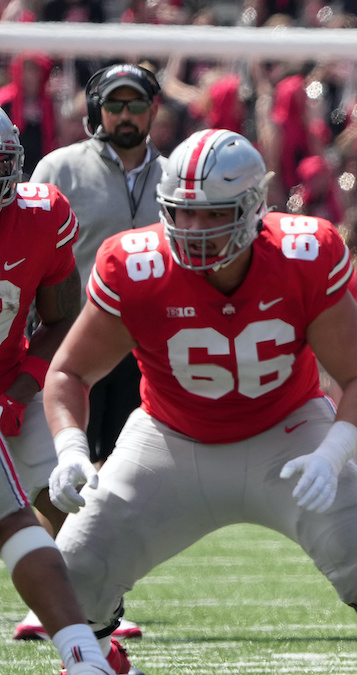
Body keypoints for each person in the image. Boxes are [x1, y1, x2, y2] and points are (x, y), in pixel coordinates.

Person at [43, 129, 357, 675]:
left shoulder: (304, 253)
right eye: (183, 213)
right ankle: (106, 661)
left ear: (254, 207)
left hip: (288, 432)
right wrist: (70, 449)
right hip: (170, 437)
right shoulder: (136, 264)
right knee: (73, 570)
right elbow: (67, 371)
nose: (195, 230)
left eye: (214, 215)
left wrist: (332, 454)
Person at [19, 62, 166, 643]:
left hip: (151, 347)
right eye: (115, 105)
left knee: (127, 475)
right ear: (96, 109)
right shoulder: (59, 167)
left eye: (135, 105)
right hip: (77, 342)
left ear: (153, 109)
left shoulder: (177, 173)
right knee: (62, 471)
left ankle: (106, 596)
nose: (125, 116)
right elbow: (34, 249)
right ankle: (45, 599)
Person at [0, 107, 121, 675]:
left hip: (11, 380)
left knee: (68, 489)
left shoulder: (41, 215)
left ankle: (84, 636)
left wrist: (19, 389)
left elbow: (60, 321)